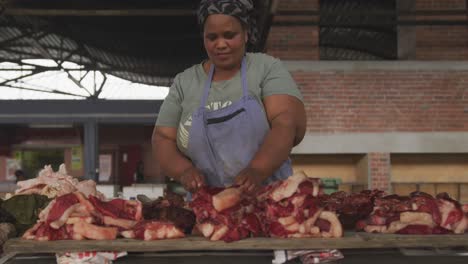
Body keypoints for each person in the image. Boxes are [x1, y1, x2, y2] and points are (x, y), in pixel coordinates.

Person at [152, 0, 306, 195]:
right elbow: (162, 138)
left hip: (273, 203)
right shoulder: (185, 82)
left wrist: (257, 171)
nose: (221, 44)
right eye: (212, 37)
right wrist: (184, 171)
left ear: (245, 34)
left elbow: (286, 123)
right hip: (209, 210)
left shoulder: (266, 68)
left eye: (229, 35)